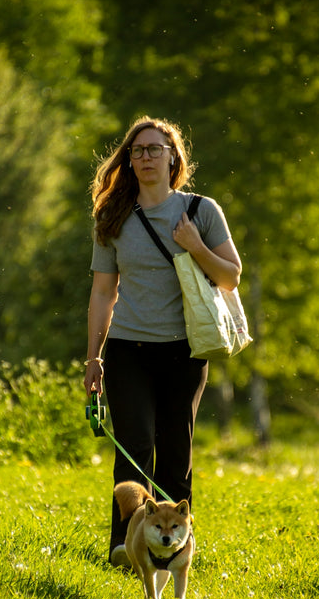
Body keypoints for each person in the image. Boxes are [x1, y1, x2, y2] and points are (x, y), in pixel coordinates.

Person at [84, 115, 242, 566]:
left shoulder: (201, 211)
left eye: (155, 149)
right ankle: (124, 545)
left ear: (174, 157)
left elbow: (230, 277)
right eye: (137, 151)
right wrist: (92, 359)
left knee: (176, 450)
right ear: (128, 161)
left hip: (184, 352)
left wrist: (195, 245)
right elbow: (101, 292)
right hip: (127, 350)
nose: (146, 157)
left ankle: (175, 550)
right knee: (133, 449)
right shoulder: (112, 216)